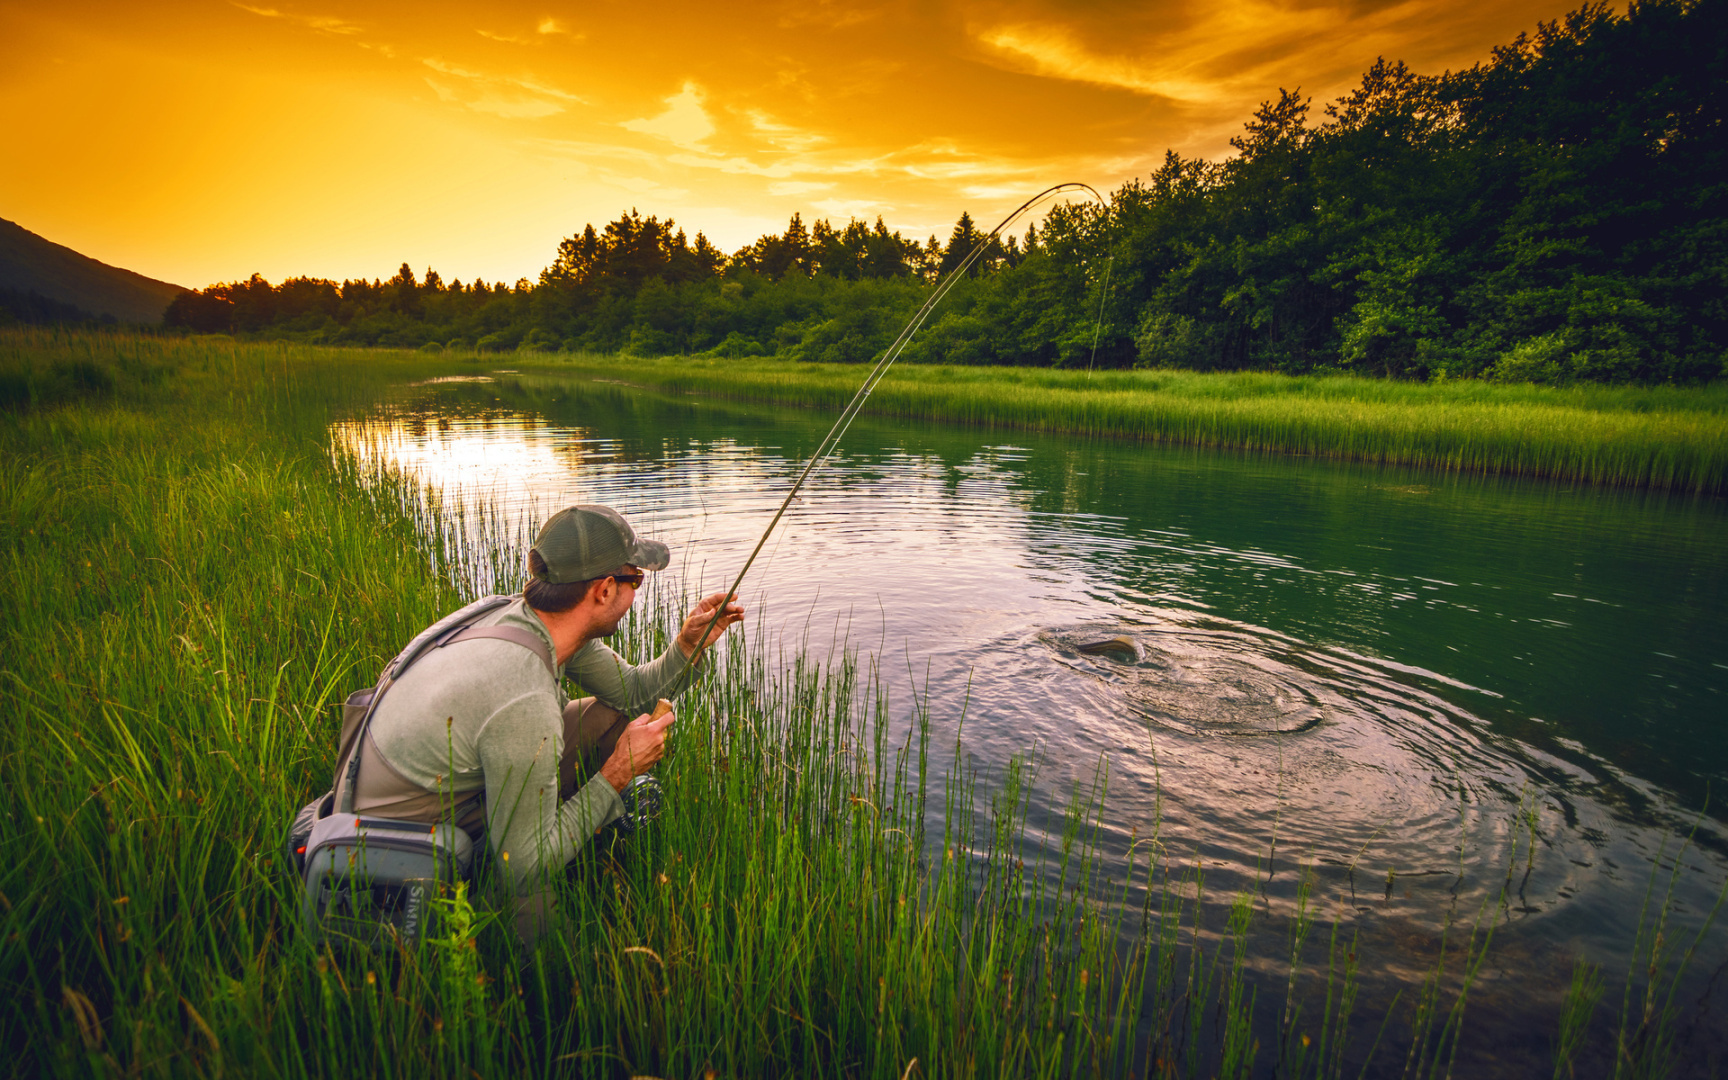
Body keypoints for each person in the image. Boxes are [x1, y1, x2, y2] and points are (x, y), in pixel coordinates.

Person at [334, 504, 743, 935]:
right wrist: (616, 774)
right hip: (400, 847)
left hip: (437, 787)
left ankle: (566, 826)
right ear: (604, 590)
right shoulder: (524, 695)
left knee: (610, 716)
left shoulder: (532, 620)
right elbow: (522, 868)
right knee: (544, 917)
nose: (636, 591)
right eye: (635, 579)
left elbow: (632, 695)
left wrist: (688, 645)